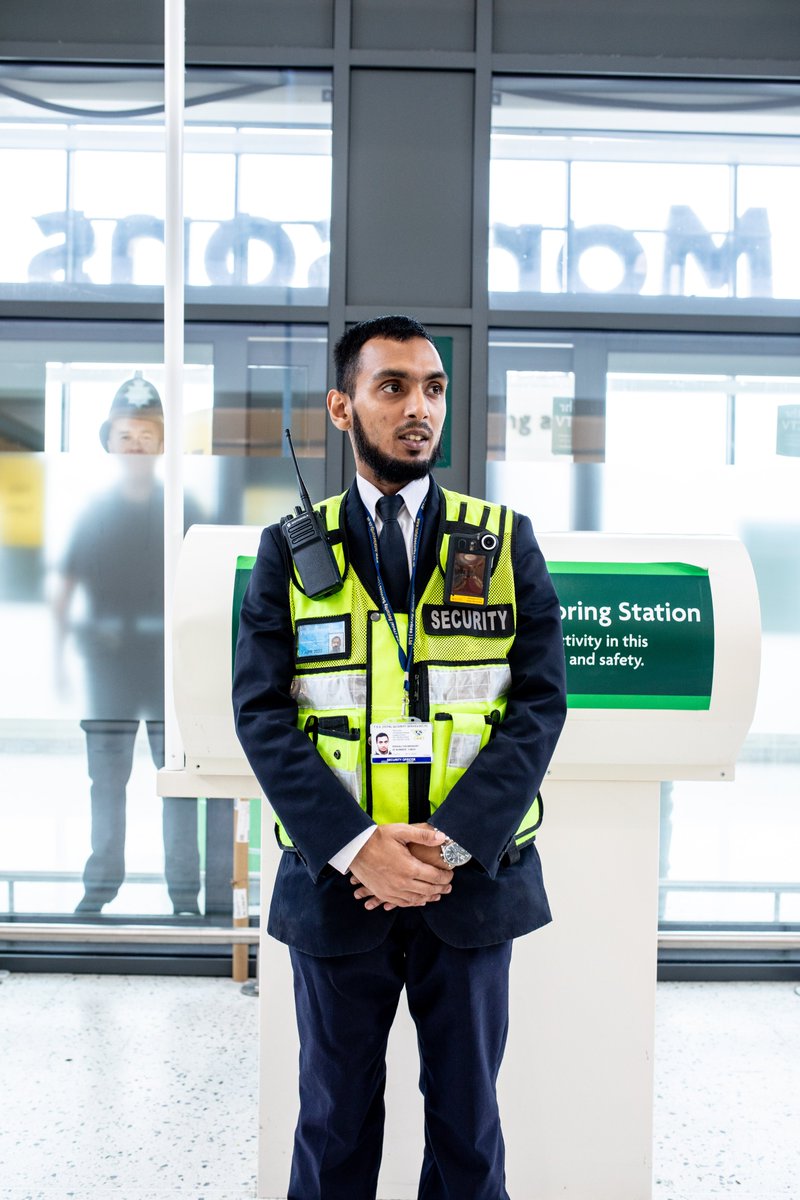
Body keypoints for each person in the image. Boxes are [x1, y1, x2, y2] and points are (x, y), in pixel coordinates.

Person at [233, 315, 567, 1200]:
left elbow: (538, 706)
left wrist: (446, 843)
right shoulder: (288, 552)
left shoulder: (501, 541)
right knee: (334, 1125)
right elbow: (262, 715)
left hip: (472, 882)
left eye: (433, 388)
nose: (418, 408)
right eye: (392, 388)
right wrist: (359, 847)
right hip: (337, 884)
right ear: (343, 407)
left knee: (468, 1129)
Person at [55, 373, 228, 916]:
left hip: (167, 667)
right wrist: (58, 660)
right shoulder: (94, 512)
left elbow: (211, 583)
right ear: (110, 442)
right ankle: (99, 888)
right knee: (105, 784)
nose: (135, 444)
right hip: (106, 670)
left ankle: (185, 898)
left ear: (161, 445)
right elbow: (65, 587)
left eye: (146, 435)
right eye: (126, 434)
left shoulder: (185, 506)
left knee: (175, 782)